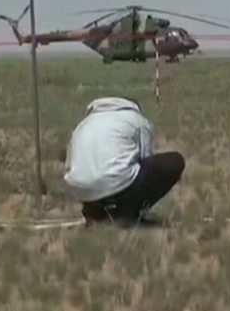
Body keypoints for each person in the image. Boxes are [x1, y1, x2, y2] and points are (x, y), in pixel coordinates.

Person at [63, 96, 184, 226]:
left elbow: (70, 162)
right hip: (117, 183)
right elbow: (144, 158)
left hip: (80, 188)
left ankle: (95, 212)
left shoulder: (82, 125)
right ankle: (127, 213)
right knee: (174, 162)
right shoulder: (137, 121)